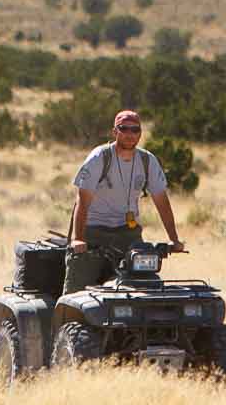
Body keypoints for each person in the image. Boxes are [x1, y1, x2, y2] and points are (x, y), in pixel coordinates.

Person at [65, 108, 182, 292]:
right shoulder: (100, 157)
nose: (129, 134)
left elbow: (161, 201)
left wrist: (174, 239)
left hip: (127, 232)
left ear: (140, 134)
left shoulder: (147, 161)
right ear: (115, 132)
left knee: (142, 287)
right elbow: (83, 200)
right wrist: (79, 239)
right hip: (94, 231)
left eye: (134, 130)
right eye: (124, 128)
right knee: (77, 291)